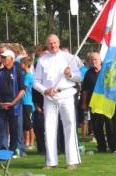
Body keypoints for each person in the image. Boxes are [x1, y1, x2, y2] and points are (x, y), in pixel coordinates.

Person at [34, 34, 82, 170]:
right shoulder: (42, 60)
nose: (53, 45)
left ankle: (72, 161)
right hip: (49, 97)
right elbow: (35, 81)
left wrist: (70, 75)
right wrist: (45, 90)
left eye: (55, 43)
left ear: (59, 43)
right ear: (47, 45)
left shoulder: (69, 58)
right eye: (50, 43)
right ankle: (50, 162)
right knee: (49, 129)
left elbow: (79, 77)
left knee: (70, 126)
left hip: (66, 94)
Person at [0, 49, 25, 155]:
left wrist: (13, 103)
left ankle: (15, 149)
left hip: (14, 105)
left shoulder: (18, 71)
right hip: (1, 105)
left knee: (15, 128)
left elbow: (22, 90)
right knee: (0, 128)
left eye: (5, 57)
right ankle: (2, 150)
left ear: (11, 59)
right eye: (2, 57)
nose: (3, 59)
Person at [81, 52, 114, 153]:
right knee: (97, 126)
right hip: (94, 103)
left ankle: (113, 146)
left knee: (110, 125)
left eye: (95, 59)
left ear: (100, 61)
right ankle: (101, 147)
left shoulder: (107, 71)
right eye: (92, 59)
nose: (93, 61)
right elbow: (85, 90)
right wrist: (84, 103)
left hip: (106, 102)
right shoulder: (88, 73)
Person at [21, 56, 35, 150]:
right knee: (25, 124)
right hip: (23, 103)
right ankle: (26, 142)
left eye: (21, 63)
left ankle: (31, 143)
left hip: (27, 103)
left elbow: (24, 88)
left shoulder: (28, 76)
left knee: (29, 125)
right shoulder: (24, 75)